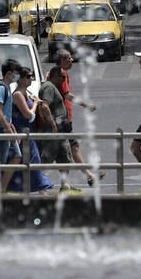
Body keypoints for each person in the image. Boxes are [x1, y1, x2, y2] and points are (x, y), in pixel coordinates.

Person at [53, 49, 105, 186]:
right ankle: (87, 176)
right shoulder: (61, 73)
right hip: (61, 119)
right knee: (68, 149)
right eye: (69, 58)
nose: (72, 60)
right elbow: (67, 95)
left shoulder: (58, 72)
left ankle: (82, 178)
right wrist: (86, 104)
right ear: (63, 61)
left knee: (67, 150)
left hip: (63, 119)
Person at [7, 67, 54, 194]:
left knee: (30, 165)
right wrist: (35, 103)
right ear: (21, 79)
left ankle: (38, 192)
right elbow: (29, 115)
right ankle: (41, 192)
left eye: (32, 76)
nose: (31, 79)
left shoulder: (25, 92)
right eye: (28, 76)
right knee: (30, 164)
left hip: (28, 134)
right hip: (21, 136)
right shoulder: (17, 94)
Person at [38, 66, 77, 192]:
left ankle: (65, 185)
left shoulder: (55, 87)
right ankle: (38, 184)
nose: (64, 79)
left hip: (61, 130)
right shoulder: (49, 87)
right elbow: (44, 106)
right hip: (53, 130)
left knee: (64, 156)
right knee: (47, 158)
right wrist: (53, 123)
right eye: (62, 77)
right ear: (55, 76)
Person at [0, 59, 23, 192]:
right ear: (9, 73)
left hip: (7, 128)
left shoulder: (7, 87)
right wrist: (9, 130)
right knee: (0, 163)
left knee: (16, 156)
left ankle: (1, 188)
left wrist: (12, 128)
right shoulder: (1, 88)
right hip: (1, 130)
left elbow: (6, 113)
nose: (17, 76)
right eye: (16, 73)